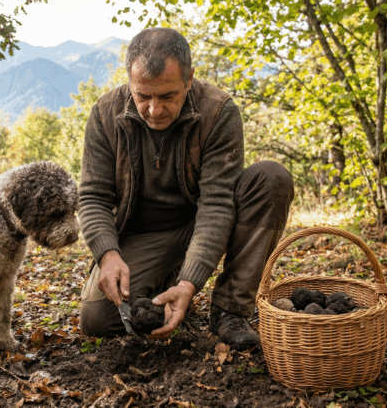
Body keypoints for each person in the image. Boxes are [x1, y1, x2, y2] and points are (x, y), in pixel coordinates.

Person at [78, 28, 294, 350]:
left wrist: (191, 283)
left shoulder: (219, 112)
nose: (154, 110)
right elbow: (93, 196)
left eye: (167, 96)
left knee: (271, 178)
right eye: (142, 96)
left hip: (202, 221)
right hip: (143, 233)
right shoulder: (105, 115)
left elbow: (217, 204)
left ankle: (229, 310)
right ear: (129, 83)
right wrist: (108, 255)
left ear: (189, 79)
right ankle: (166, 280)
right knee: (97, 320)